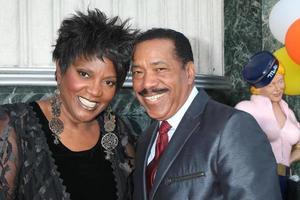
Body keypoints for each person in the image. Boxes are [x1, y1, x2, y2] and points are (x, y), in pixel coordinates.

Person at [0, 9, 137, 200]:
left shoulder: (118, 130)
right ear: (60, 68)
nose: (96, 91)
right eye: (84, 74)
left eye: (109, 82)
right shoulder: (13, 125)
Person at [130, 28, 282, 200]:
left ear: (189, 73)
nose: (147, 83)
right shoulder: (147, 138)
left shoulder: (233, 127)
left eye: (160, 69)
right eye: (138, 72)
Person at [235, 51, 300, 199]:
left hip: (287, 182)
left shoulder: (288, 111)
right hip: (260, 181)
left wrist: (286, 162)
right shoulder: (246, 108)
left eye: (280, 81)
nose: (278, 88)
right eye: (271, 85)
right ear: (258, 88)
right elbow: (236, 150)